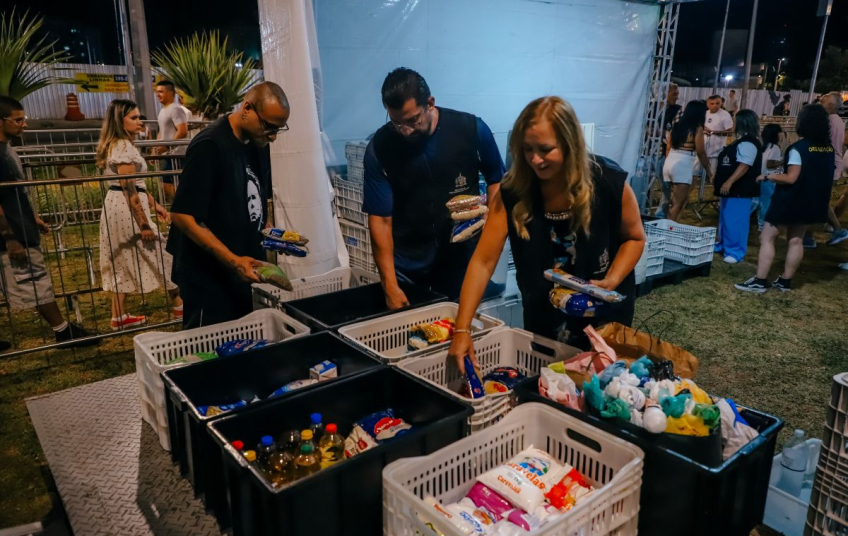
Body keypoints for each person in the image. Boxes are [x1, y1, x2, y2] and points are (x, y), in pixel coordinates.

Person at [448, 96, 645, 365]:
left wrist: (611, 280)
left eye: (545, 149)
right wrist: (462, 329)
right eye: (527, 149)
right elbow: (483, 262)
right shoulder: (513, 191)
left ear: (570, 143)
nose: (535, 159)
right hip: (543, 318)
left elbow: (634, 238)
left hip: (604, 320)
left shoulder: (609, 182)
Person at [362, 68, 505, 306]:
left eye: (412, 120)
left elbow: (496, 181)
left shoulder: (470, 129)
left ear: (430, 103)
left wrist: (491, 233)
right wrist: (389, 285)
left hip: (460, 258)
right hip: (407, 262)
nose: (404, 131)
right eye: (396, 122)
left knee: (455, 331)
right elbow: (380, 219)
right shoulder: (380, 147)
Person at [167, 82, 289, 328]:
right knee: (206, 354)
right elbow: (182, 215)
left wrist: (271, 233)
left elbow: (249, 200)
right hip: (208, 277)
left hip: (241, 274)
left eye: (278, 129)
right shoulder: (210, 146)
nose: (273, 136)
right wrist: (234, 260)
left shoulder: (258, 143)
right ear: (247, 108)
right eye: (268, 127)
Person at [0, 96, 96, 350]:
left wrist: (32, 217)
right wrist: (10, 237)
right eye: (18, 120)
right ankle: (63, 332)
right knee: (35, 280)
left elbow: (16, 192)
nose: (24, 125)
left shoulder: (7, 149)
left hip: (20, 224)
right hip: (13, 233)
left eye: (24, 119)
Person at [96, 99, 182, 331]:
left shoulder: (118, 145)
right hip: (126, 209)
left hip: (117, 206)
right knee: (162, 254)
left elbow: (136, 186)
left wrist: (155, 206)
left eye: (139, 116)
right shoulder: (123, 147)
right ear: (119, 120)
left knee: (121, 258)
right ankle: (179, 304)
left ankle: (118, 316)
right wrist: (144, 224)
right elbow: (129, 188)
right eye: (133, 117)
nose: (139, 121)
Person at [736, 104, 835, 293]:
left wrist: (767, 176)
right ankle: (785, 281)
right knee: (796, 240)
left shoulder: (798, 147)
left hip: (790, 200)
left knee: (767, 237)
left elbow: (791, 177)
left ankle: (760, 280)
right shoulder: (827, 149)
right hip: (813, 201)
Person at [713, 110, 763, 264]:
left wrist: (730, 181)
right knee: (726, 219)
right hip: (731, 190)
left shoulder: (749, 142)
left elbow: (745, 165)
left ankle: (735, 251)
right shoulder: (740, 141)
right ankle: (724, 245)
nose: (733, 124)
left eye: (735, 121)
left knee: (736, 220)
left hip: (740, 190)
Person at [663, 100, 712, 222]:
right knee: (677, 204)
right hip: (683, 163)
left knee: (673, 202)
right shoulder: (697, 128)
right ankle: (668, 231)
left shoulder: (677, 125)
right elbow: (701, 152)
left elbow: (669, 146)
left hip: (670, 161)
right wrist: (709, 171)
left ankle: (669, 228)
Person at [154, 81, 188, 200]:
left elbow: (183, 130)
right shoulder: (163, 110)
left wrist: (167, 146)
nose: (157, 94)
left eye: (161, 91)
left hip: (178, 154)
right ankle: (184, 207)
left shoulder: (176, 109)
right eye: (157, 92)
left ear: (171, 93)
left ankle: (184, 207)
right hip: (170, 154)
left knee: (169, 184)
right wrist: (155, 149)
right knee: (168, 183)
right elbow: (161, 131)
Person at [655, 83, 682, 219]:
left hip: (665, 153)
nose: (677, 97)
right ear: (664, 94)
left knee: (666, 188)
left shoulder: (678, 110)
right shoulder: (653, 108)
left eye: (677, 94)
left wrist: (660, 133)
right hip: (648, 152)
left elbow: (674, 132)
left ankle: (660, 215)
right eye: (674, 94)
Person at [757, 123, 784, 232]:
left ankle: (761, 224)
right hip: (769, 178)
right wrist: (783, 161)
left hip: (762, 177)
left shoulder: (764, 146)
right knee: (767, 203)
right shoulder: (775, 147)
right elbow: (770, 164)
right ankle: (763, 225)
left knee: (762, 203)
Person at [702, 95, 734, 180]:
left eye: (717, 103)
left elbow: (730, 132)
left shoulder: (725, 114)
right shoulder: (705, 113)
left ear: (721, 103)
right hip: (703, 149)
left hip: (716, 150)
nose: (715, 105)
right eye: (712, 103)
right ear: (708, 104)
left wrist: (714, 132)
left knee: (712, 176)